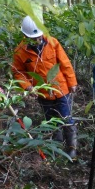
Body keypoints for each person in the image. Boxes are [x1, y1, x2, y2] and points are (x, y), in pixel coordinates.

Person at [12, 16, 78, 159]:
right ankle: (56, 145)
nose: (37, 40)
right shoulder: (20, 52)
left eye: (38, 37)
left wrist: (72, 82)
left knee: (66, 117)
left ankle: (72, 148)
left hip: (61, 89)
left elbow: (65, 63)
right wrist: (28, 87)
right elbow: (18, 73)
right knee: (50, 119)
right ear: (24, 35)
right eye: (33, 38)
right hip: (42, 92)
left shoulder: (53, 43)